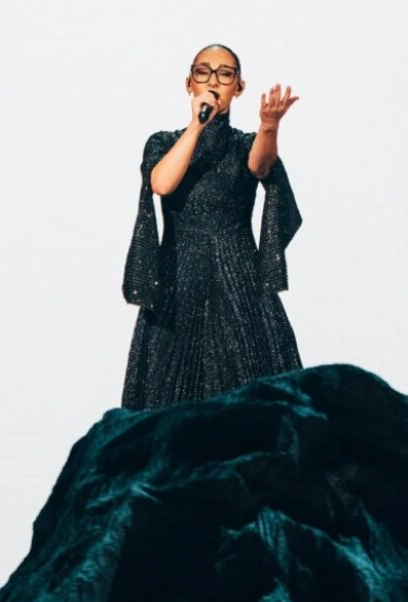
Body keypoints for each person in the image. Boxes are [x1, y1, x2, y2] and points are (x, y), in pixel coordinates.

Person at [121, 43, 303, 410]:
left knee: (253, 398)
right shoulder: (163, 142)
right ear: (189, 83)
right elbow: (161, 184)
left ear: (239, 87)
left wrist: (269, 126)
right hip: (178, 281)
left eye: (225, 74)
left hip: (239, 279)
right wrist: (197, 125)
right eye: (203, 72)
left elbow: (261, 165)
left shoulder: (244, 145)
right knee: (166, 396)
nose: (213, 81)